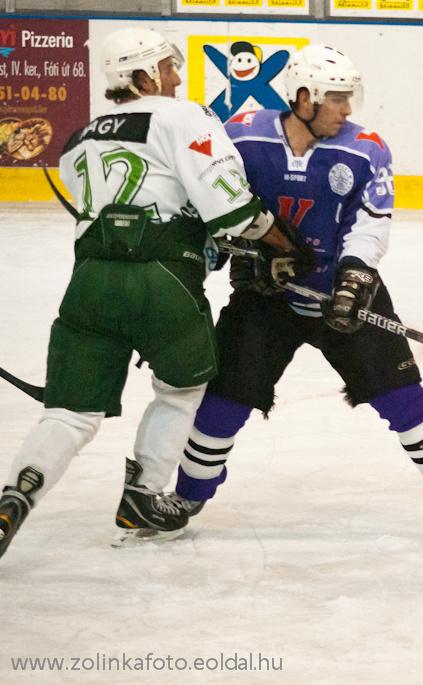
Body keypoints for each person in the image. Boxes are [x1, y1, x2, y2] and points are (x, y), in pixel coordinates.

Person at [0, 27, 312, 560]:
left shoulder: (81, 138)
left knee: (69, 414)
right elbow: (232, 209)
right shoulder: (181, 115)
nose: (176, 76)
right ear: (143, 76)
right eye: (168, 68)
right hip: (162, 280)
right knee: (180, 389)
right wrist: (287, 245)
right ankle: (142, 495)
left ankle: (14, 499)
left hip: (89, 283)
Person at [172, 44, 423, 540]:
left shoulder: (365, 149)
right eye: (337, 98)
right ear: (304, 98)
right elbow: (217, 209)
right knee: (226, 397)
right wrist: (241, 259)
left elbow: (370, 223)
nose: (348, 109)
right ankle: (186, 495)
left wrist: (355, 280)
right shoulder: (244, 138)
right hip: (266, 297)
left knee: (398, 393)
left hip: (342, 292)